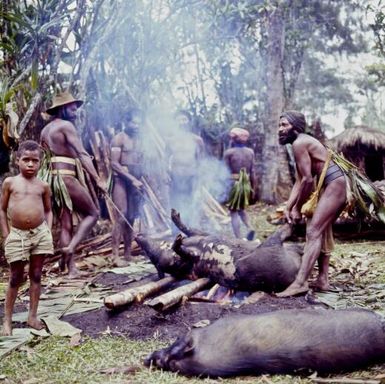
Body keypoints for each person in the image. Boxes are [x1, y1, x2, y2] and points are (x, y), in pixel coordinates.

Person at [276, 110, 347, 297]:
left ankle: (300, 283)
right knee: (320, 230)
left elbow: (308, 180)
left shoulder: (300, 143)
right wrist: (288, 207)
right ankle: (322, 279)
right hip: (331, 186)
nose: (280, 129)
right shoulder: (300, 144)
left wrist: (298, 209)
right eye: (279, 125)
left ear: (296, 127)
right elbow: (300, 181)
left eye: (284, 125)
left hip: (335, 184)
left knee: (314, 231)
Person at [40, 91, 107, 278]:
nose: (76, 110)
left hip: (51, 180)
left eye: (76, 107)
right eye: (72, 107)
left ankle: (71, 270)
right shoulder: (66, 126)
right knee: (93, 213)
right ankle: (70, 248)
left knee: (66, 224)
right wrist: (98, 179)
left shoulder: (45, 130)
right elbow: (82, 154)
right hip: (65, 176)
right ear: (62, 108)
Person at [1, 140, 53, 335]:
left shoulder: (43, 186)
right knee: (15, 277)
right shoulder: (10, 183)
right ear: (17, 160)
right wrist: (6, 234)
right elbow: (2, 209)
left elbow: (48, 210)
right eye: (26, 160)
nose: (30, 164)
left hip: (40, 233)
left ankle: (32, 316)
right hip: (17, 234)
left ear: (40, 162)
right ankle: (7, 320)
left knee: (37, 274)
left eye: (35, 161)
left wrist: (47, 229)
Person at [110, 109, 144, 266]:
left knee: (131, 216)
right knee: (121, 215)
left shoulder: (140, 140)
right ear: (126, 122)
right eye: (133, 122)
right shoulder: (119, 138)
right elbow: (114, 164)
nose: (136, 126)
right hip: (121, 181)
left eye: (138, 122)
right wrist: (131, 179)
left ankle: (128, 254)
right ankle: (115, 256)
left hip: (135, 181)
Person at [168, 110, 204, 231]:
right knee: (176, 203)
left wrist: (200, 178)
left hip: (191, 176)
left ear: (189, 122)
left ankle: (192, 229)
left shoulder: (197, 140)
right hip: (176, 176)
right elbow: (164, 159)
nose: (182, 122)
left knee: (192, 202)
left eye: (184, 119)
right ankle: (176, 230)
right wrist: (166, 174)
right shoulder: (170, 140)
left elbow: (200, 160)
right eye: (179, 120)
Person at [224, 127, 256, 240]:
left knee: (233, 212)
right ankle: (250, 227)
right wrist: (253, 188)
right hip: (246, 183)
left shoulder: (229, 153)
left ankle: (238, 238)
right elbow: (252, 172)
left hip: (234, 183)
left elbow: (225, 172)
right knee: (242, 209)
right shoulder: (250, 152)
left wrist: (225, 188)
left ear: (233, 139)